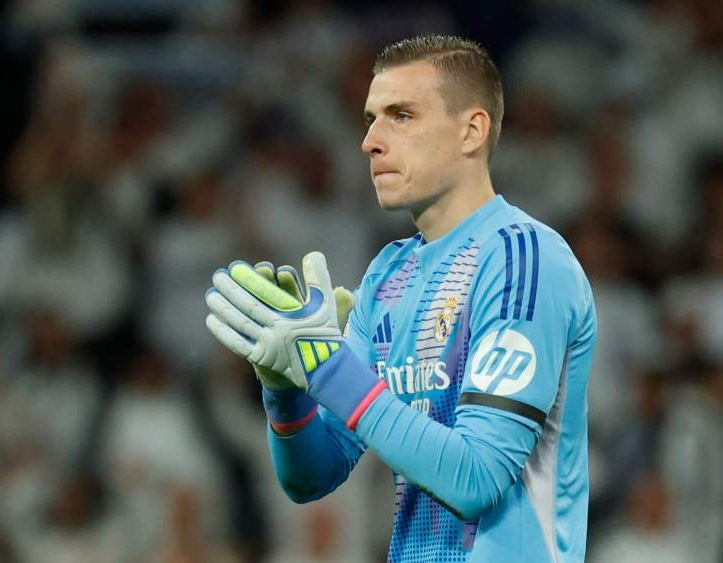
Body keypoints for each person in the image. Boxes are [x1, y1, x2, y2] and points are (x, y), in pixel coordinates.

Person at [205, 34, 597, 562]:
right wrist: (285, 387)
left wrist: (325, 366)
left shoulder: (524, 260)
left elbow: (476, 478)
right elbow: (313, 477)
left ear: (471, 131)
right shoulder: (389, 274)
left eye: (401, 115)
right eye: (370, 118)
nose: (370, 140)